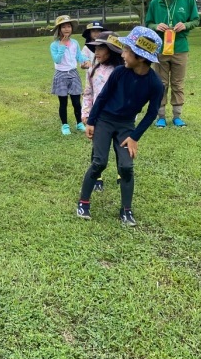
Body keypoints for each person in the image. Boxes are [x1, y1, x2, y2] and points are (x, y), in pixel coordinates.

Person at [77, 26, 163, 226]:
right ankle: (83, 202)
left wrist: (134, 137)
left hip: (126, 126)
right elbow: (103, 96)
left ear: (140, 57)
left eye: (126, 50)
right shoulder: (118, 73)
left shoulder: (155, 84)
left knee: (126, 166)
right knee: (99, 162)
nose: (122, 54)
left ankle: (126, 210)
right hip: (104, 121)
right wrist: (91, 121)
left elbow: (151, 113)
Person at [144, 0, 200, 128]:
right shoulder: (155, 2)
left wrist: (186, 25)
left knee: (178, 82)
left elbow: (196, 20)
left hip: (180, 48)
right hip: (160, 49)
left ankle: (177, 116)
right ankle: (160, 116)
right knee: (161, 83)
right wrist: (155, 26)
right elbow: (148, 22)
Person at [81, 30, 124, 193]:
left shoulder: (123, 70)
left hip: (120, 118)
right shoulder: (93, 69)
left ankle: (121, 173)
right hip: (98, 117)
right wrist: (86, 113)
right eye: (95, 49)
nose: (96, 53)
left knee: (120, 145)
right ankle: (97, 176)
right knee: (98, 148)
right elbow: (88, 92)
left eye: (100, 48)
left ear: (112, 50)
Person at [50, 14, 90, 135]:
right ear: (59, 29)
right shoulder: (54, 45)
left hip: (73, 73)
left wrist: (86, 60)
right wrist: (62, 45)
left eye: (69, 26)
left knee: (76, 102)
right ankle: (65, 125)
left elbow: (78, 56)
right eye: (63, 27)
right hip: (61, 74)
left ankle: (79, 123)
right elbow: (57, 60)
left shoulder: (74, 43)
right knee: (63, 102)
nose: (67, 29)